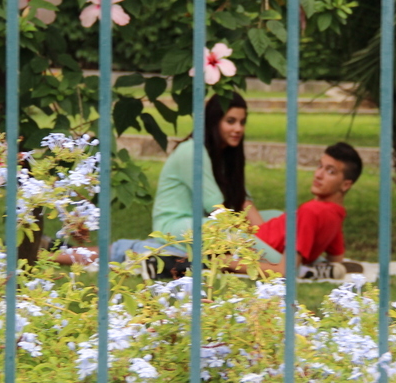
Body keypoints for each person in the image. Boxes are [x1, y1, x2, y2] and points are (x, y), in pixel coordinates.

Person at [108, 92, 277, 265]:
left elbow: (243, 202)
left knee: (277, 218)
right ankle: (280, 266)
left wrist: (265, 233)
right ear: (214, 121)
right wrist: (258, 237)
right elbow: (217, 209)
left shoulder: (227, 154)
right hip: (175, 225)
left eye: (242, 122)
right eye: (230, 121)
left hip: (208, 222)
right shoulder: (192, 151)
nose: (238, 129)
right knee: (229, 231)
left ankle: (279, 257)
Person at [249, 142, 363, 279]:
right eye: (320, 166)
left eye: (330, 171)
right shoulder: (336, 214)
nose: (318, 175)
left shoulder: (310, 211)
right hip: (265, 234)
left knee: (226, 231)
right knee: (275, 214)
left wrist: (229, 263)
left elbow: (284, 270)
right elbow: (336, 259)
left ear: (346, 185)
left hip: (253, 246)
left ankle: (305, 271)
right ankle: (316, 266)